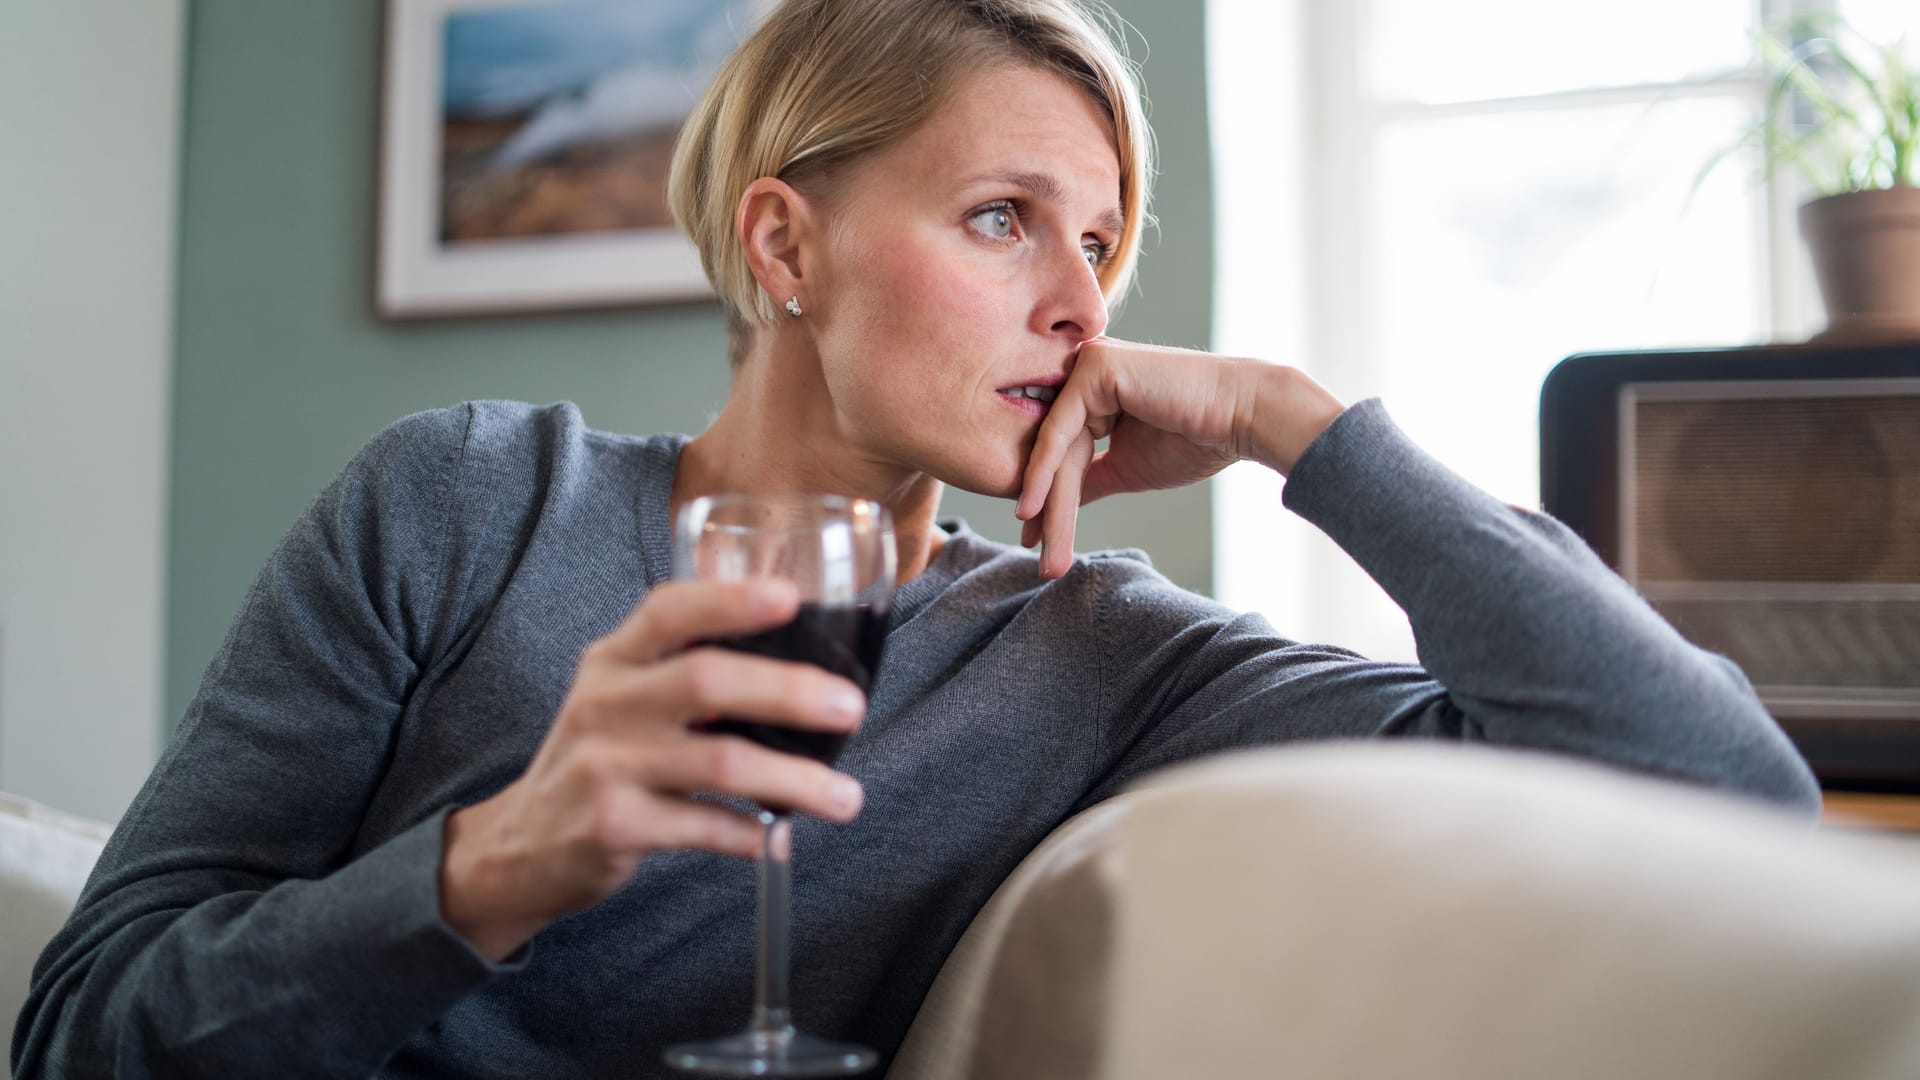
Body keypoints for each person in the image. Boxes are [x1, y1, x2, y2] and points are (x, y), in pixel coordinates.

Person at [13, 0, 1820, 1076]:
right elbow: (81, 1032)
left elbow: (1714, 789)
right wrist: (493, 867)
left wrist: (1299, 424)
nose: (1075, 304)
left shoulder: (1097, 646)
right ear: (786, 246)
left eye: (1100, 245)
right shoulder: (467, 498)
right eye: (997, 219)